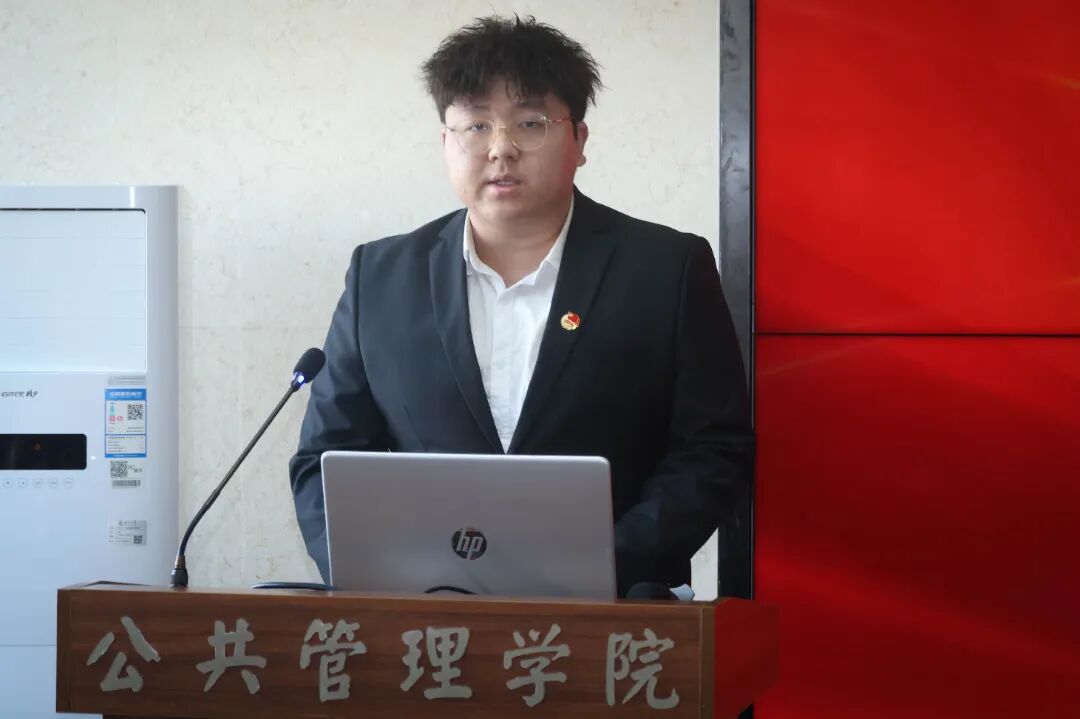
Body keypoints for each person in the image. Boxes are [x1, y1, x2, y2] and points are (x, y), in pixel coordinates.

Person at [289, 15, 753, 598]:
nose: (501, 148)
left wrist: (605, 565)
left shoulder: (666, 269)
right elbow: (324, 459)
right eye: (475, 125)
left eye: (531, 123)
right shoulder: (380, 278)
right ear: (445, 142)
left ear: (579, 140)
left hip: (612, 613)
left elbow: (713, 449)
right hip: (424, 616)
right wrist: (372, 570)